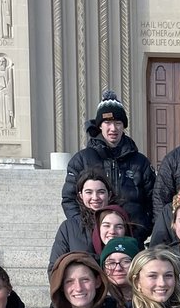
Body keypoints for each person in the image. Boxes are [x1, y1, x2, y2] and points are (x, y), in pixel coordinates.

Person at [62, 90, 155, 241]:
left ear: (123, 126)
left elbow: (153, 201)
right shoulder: (81, 160)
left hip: (132, 239)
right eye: (107, 122)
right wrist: (87, 230)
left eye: (118, 123)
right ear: (99, 125)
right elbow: (69, 199)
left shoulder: (140, 162)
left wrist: (142, 231)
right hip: (92, 240)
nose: (113, 128)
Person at [49, 171, 114, 273]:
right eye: (89, 192)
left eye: (101, 192)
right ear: (80, 195)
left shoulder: (120, 224)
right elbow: (55, 268)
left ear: (109, 195)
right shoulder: (68, 227)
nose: (95, 197)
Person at [100, 236, 139, 308]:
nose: (118, 268)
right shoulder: (99, 304)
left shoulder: (151, 298)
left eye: (126, 261)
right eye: (111, 263)